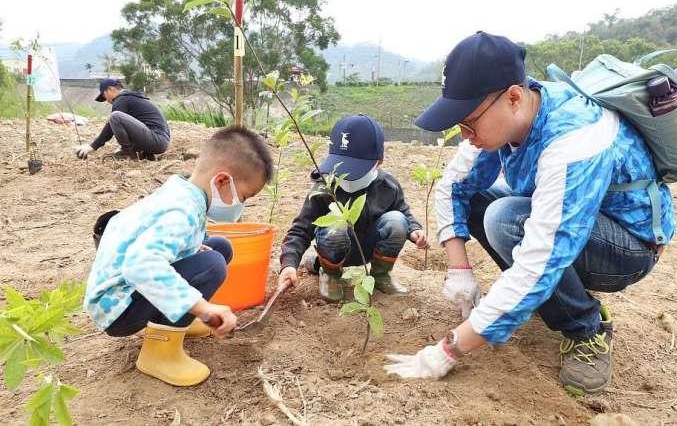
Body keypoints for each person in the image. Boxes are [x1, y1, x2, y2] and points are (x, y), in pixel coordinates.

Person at [384, 32, 673, 396]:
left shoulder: (573, 139)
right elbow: (453, 186)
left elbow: (542, 257)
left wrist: (448, 350)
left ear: (514, 98)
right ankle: (552, 299)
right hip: (575, 226)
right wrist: (458, 268)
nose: (464, 134)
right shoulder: (509, 118)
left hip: (630, 247)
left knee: (506, 219)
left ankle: (587, 329)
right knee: (485, 203)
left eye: (469, 123)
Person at [84, 126, 273, 386]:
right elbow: (140, 266)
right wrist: (203, 307)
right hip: (118, 307)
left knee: (218, 247)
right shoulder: (180, 212)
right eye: (244, 196)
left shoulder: (182, 192)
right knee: (212, 265)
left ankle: (180, 319)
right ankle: (160, 353)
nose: (241, 204)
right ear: (221, 181)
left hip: (127, 288)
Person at [278, 114, 430, 301]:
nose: (347, 176)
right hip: (334, 249)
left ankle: (380, 275)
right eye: (341, 167)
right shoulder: (325, 188)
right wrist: (289, 264)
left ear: (378, 162)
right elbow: (301, 229)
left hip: (369, 248)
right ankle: (329, 273)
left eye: (354, 168)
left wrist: (414, 230)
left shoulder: (388, 186)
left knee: (397, 221)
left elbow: (403, 210)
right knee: (336, 225)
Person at [75, 78, 171, 161]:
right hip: (161, 141)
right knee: (119, 119)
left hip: (157, 139)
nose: (107, 101)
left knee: (115, 116)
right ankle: (144, 153)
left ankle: (127, 152)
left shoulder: (121, 99)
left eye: (104, 96)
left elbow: (110, 127)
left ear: (110, 89)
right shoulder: (131, 98)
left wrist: (92, 146)